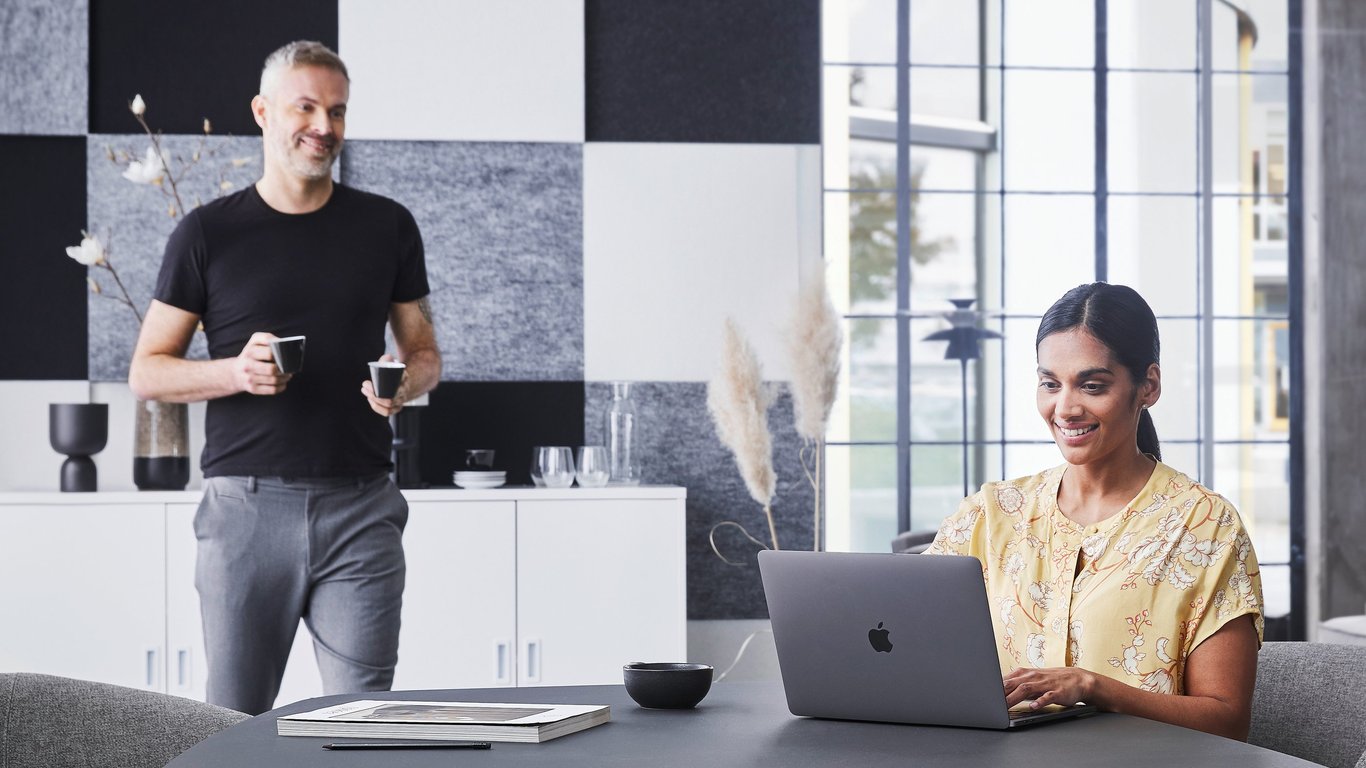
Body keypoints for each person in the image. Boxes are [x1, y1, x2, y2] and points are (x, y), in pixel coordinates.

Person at [128, 40, 441, 715]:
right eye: (305, 107)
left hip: (363, 508)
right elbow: (147, 373)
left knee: (366, 724)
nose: (323, 126)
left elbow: (424, 353)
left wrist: (403, 384)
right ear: (263, 112)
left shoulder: (388, 226)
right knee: (234, 724)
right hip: (245, 511)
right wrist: (234, 372)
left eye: (337, 111)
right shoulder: (206, 233)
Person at [925, 282, 1263, 740]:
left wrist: (1094, 687)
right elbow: (914, 652)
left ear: (1148, 386)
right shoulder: (989, 515)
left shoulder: (1206, 527)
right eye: (1050, 384)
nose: (1065, 408)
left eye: (1092, 385)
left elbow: (1227, 722)